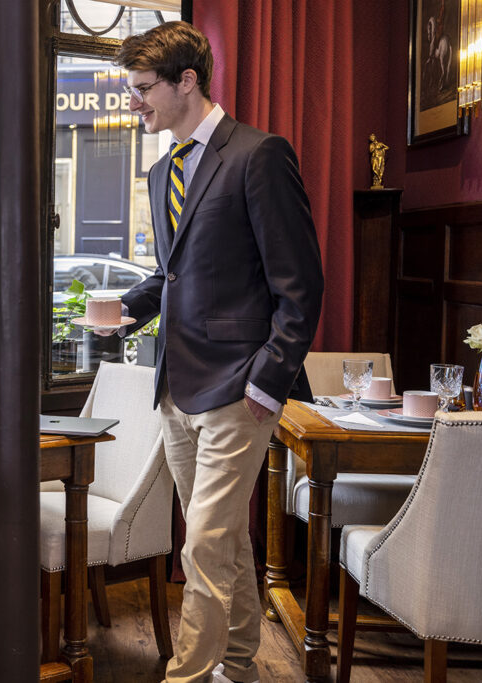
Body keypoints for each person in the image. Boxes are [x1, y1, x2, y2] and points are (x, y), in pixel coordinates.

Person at [110, 22, 323, 683]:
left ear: (187, 83)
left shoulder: (260, 155)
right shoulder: (161, 170)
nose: (134, 102)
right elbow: (176, 271)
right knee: (222, 538)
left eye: (143, 89)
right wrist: (127, 309)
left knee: (199, 539)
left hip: (240, 387)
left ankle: (188, 675)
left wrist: (269, 381)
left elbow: (301, 284)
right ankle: (239, 661)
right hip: (176, 384)